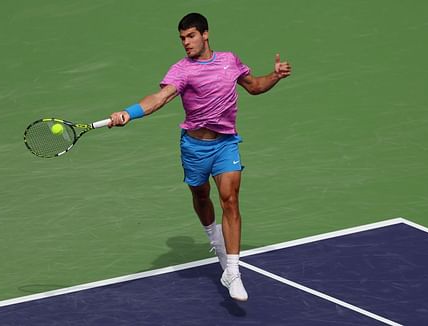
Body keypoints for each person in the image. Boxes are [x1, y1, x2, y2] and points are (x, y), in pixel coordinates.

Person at [107, 13, 291, 302]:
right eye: (182, 38)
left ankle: (232, 270)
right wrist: (129, 112)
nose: (186, 43)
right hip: (194, 147)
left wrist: (275, 76)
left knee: (229, 199)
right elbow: (160, 98)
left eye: (190, 36)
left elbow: (254, 86)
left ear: (205, 34)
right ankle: (212, 235)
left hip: (226, 144)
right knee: (200, 195)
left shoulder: (230, 61)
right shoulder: (182, 70)